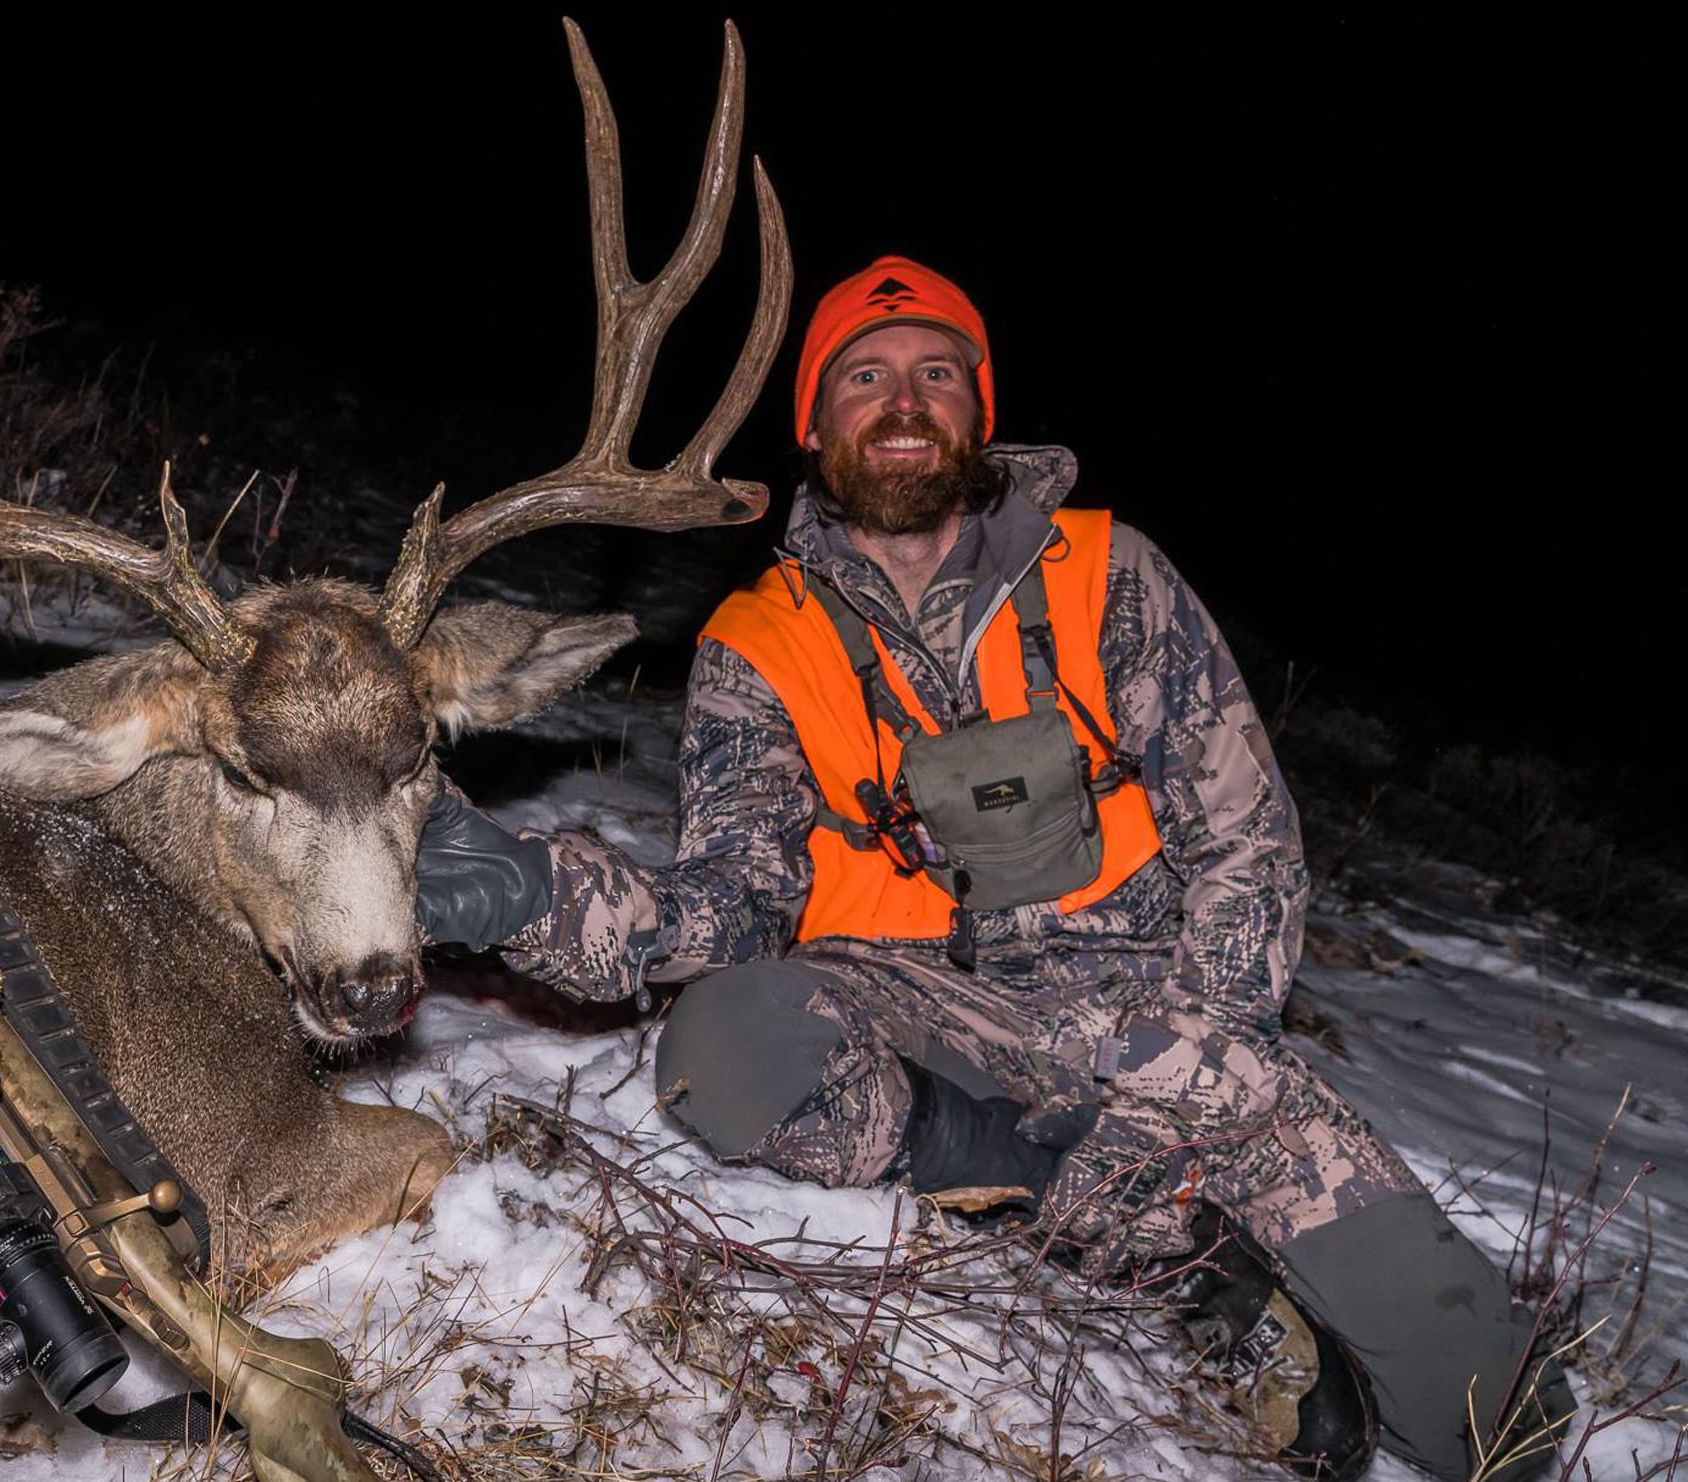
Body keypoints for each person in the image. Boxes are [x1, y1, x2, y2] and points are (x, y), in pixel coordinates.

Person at [416, 257, 1570, 1481]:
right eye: (864, 377)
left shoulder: (1112, 576)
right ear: (813, 426)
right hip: (914, 1005)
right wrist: (538, 893)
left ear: (979, 409)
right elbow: (731, 906)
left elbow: (1248, 847)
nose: (901, 401)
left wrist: (1181, 1072)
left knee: (1492, 1428)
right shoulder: (759, 644)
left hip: (1159, 1021)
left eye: (935, 374)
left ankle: (1199, 1230)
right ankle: (1124, 1228)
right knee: (725, 1054)